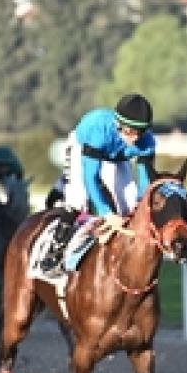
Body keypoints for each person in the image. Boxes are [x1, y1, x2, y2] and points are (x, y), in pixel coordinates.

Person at [38, 92, 158, 277]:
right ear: (118, 124)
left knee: (129, 203)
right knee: (78, 199)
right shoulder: (99, 129)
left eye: (140, 132)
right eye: (130, 132)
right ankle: (54, 250)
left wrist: (140, 205)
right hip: (83, 147)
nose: (135, 139)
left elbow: (144, 183)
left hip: (116, 157)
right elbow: (90, 177)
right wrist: (106, 213)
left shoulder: (147, 142)